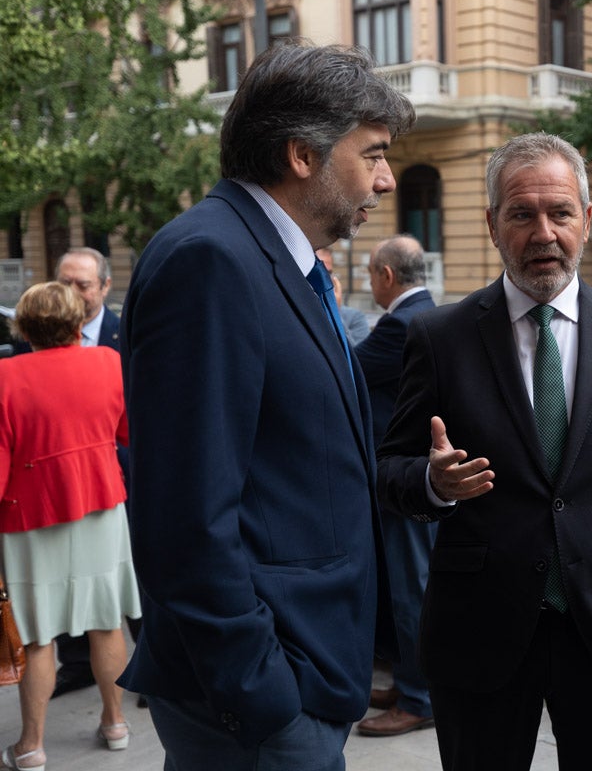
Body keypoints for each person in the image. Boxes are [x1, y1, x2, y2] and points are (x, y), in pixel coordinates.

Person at [118, 41, 414, 771]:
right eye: (372, 153)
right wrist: (259, 690)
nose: (386, 177)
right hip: (261, 703)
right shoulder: (211, 260)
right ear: (302, 155)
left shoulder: (281, 260)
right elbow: (184, 517)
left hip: (309, 674)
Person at [376, 132, 592, 771]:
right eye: (522, 214)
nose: (543, 232)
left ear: (586, 218)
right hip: (480, 632)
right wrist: (435, 484)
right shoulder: (440, 337)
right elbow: (390, 472)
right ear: (493, 223)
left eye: (560, 213)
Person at [0, 282, 141, 771]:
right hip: (102, 506)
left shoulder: (5, 376)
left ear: (23, 327)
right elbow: (127, 432)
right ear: (79, 323)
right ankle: (115, 723)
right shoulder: (107, 361)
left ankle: (32, 746)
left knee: (40, 636)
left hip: (31, 517)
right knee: (107, 622)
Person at [352, 236, 438, 737]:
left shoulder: (399, 326)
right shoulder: (427, 314)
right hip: (415, 476)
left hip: (404, 480)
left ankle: (421, 698)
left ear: (387, 276)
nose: (368, 282)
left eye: (369, 274)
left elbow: (347, 373)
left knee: (413, 592)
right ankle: (410, 684)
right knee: (410, 587)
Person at [48, 248, 127, 700]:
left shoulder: (124, 334)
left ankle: (154, 668)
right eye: (65, 281)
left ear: (104, 287)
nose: (72, 292)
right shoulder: (32, 337)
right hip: (58, 484)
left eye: (82, 284)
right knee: (64, 579)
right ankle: (76, 664)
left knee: (135, 579)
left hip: (120, 479)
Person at [316, 246, 370, 346]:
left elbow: (358, 357)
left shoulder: (354, 317)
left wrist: (334, 311)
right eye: (317, 272)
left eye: (329, 273)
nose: (324, 278)